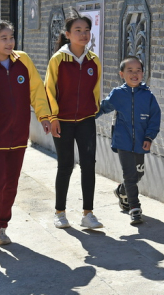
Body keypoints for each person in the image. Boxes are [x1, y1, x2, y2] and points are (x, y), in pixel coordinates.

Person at [0, 19, 52, 252]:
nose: (10, 43)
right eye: (4, 39)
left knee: (11, 183)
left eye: (11, 37)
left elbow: (37, 89)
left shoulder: (23, 61)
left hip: (19, 134)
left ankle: (2, 226)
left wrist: (44, 115)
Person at [45, 15, 103, 230]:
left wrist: (93, 109)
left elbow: (95, 89)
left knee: (89, 165)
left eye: (87, 30)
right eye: (78, 30)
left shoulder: (93, 60)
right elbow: (49, 90)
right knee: (66, 165)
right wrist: (53, 118)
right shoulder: (58, 60)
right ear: (67, 34)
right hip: (63, 121)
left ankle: (88, 213)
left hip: (86, 120)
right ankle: (60, 212)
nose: (83, 34)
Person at [96, 56, 160, 226]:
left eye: (138, 70)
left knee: (138, 173)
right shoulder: (118, 94)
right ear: (122, 74)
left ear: (143, 73)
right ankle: (135, 208)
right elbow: (103, 107)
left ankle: (122, 191)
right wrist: (86, 118)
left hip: (140, 141)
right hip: (123, 141)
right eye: (130, 71)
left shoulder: (148, 96)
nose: (134, 74)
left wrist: (149, 137)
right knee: (130, 175)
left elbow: (155, 118)